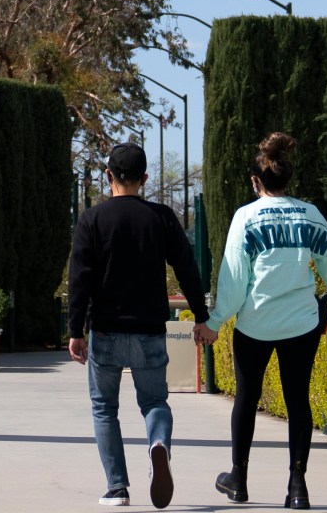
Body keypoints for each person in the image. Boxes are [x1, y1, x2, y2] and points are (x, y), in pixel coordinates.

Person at [202, 132, 327, 509]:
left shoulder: (246, 217)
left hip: (255, 325)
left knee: (247, 398)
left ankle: (238, 479)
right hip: (301, 325)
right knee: (297, 400)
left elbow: (235, 278)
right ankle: (297, 486)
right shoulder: (310, 214)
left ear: (256, 181)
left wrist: (216, 320)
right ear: (287, 179)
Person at [68, 141, 214, 508]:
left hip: (105, 329)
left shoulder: (92, 220)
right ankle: (158, 444)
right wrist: (201, 315)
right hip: (150, 329)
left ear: (108, 175)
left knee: (104, 407)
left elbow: (80, 278)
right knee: (154, 401)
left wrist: (74, 330)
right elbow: (187, 269)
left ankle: (117, 487)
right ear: (145, 178)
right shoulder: (162, 217)